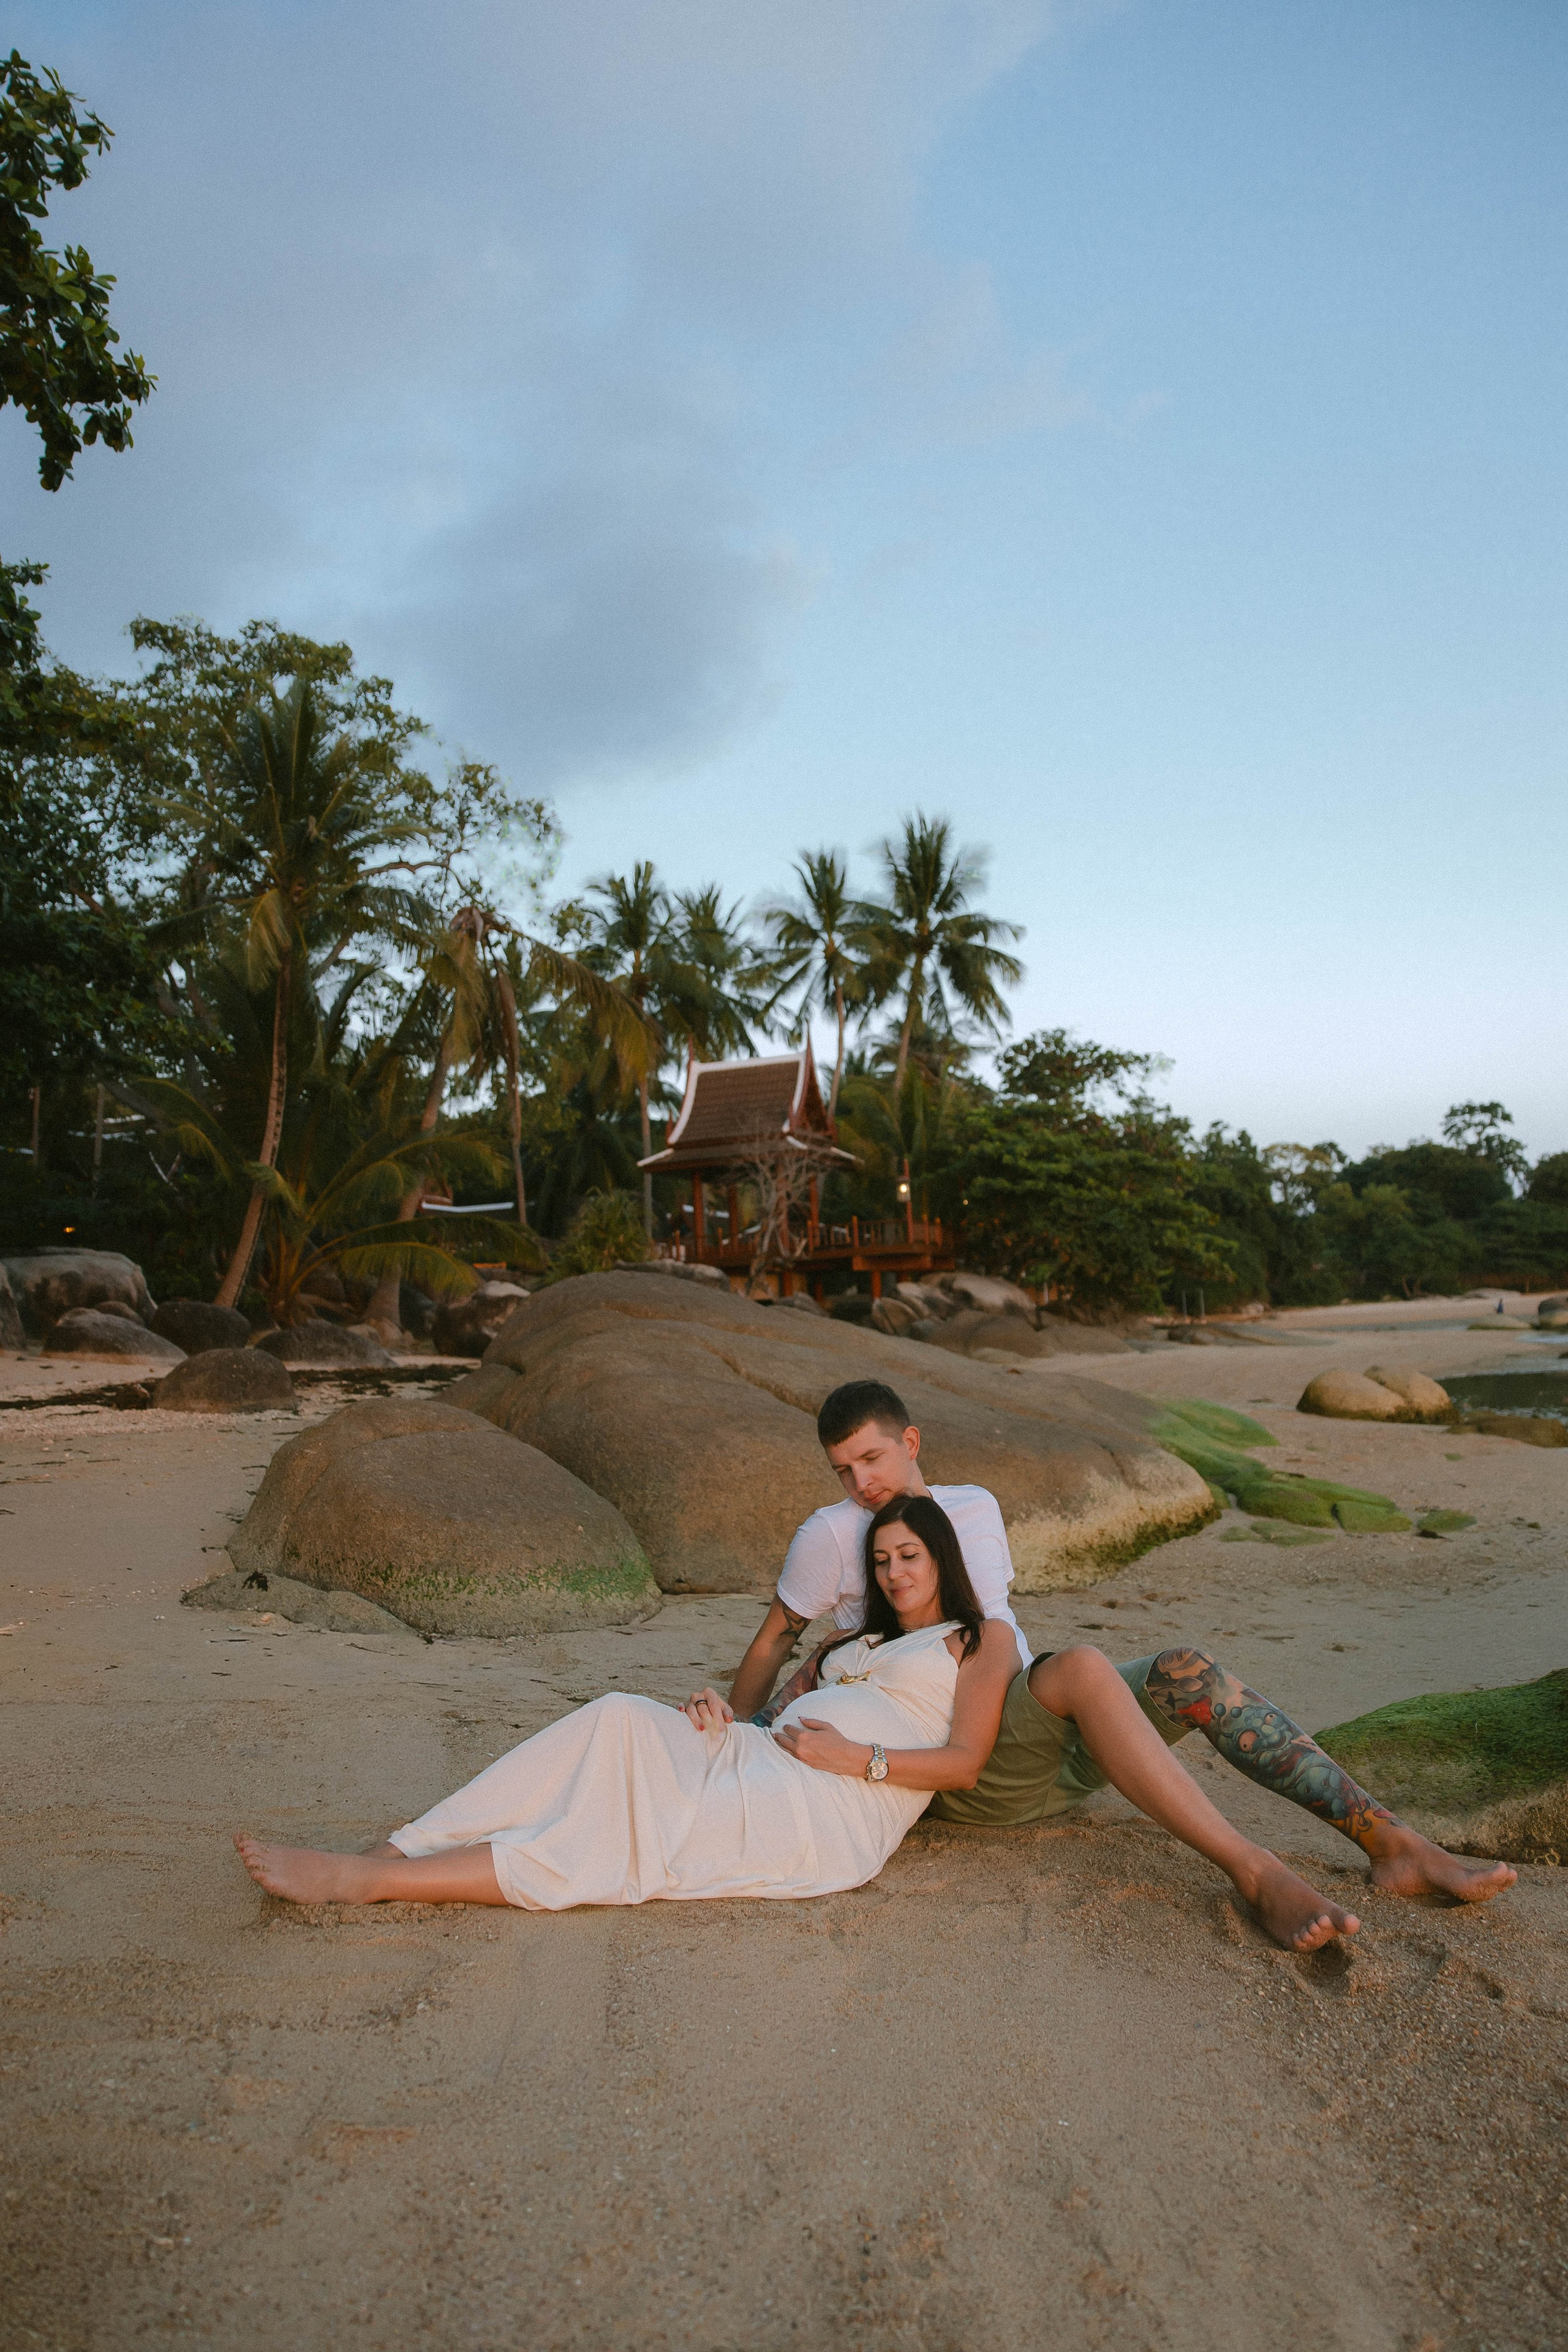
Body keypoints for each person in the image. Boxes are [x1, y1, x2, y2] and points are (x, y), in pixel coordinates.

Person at [698, 1379, 1517, 1953]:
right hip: (949, 1750)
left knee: (1186, 1673)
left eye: (872, 1459)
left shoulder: (975, 1506)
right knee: (1087, 1666)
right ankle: (1255, 1873)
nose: (860, 1481)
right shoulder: (831, 1536)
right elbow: (779, 1642)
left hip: (1023, 1715)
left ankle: (1394, 1845)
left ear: (910, 1443)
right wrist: (738, 1735)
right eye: (842, 1468)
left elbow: (995, 1630)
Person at [233, 1496, 1019, 1911]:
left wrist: (857, 1757)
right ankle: (400, 1849)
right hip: (760, 1759)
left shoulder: (978, 1642)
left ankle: (370, 1883)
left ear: (940, 1556)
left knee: (627, 1829)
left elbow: (964, 1763)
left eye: (909, 1556)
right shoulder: (848, 1648)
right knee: (616, 1717)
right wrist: (727, 1723)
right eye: (880, 1560)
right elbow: (770, 1720)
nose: (893, 1572)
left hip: (834, 1807)